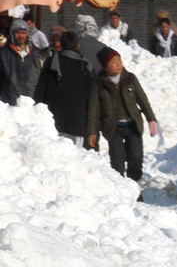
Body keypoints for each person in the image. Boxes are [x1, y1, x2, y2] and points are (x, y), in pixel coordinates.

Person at [87, 47, 159, 183]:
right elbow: (93, 110)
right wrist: (92, 132)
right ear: (106, 67)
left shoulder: (130, 79)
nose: (119, 64)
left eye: (119, 60)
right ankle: (121, 188)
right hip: (113, 127)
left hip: (133, 125)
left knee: (136, 158)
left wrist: (151, 120)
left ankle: (134, 186)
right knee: (117, 159)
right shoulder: (99, 84)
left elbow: (142, 99)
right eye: (114, 62)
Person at [34, 31, 94, 148]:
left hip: (53, 120)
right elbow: (92, 97)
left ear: (61, 44)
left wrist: (36, 110)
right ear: (77, 46)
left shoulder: (52, 62)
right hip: (78, 122)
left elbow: (41, 89)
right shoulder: (86, 67)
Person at [0, 19, 45, 104]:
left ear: (27, 34)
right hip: (9, 103)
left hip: (31, 103)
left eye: (23, 33)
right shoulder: (3, 54)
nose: (21, 36)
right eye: (17, 33)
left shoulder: (36, 54)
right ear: (12, 34)